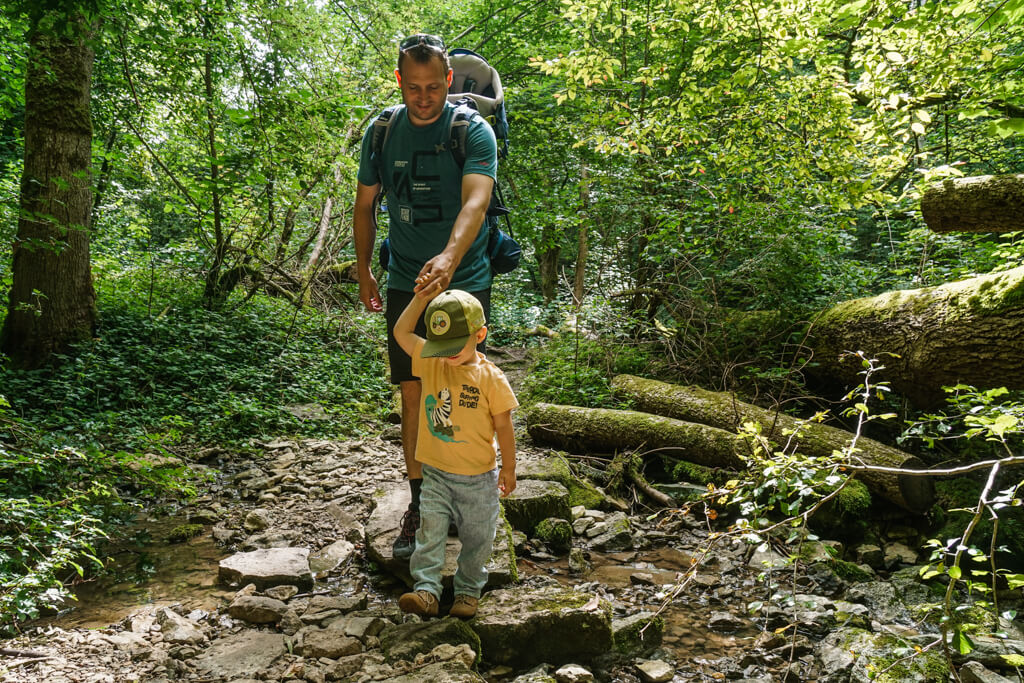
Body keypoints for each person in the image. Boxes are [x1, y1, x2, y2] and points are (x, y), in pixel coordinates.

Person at [352, 33, 499, 560]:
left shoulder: (473, 131)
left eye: (433, 87)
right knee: (414, 390)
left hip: (464, 277)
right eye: (413, 88)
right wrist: (365, 268)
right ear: (399, 82)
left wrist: (450, 259)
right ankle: (421, 503)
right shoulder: (382, 131)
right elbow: (366, 204)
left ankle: (467, 488)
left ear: (449, 82)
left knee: (461, 385)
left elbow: (475, 202)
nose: (423, 98)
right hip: (405, 280)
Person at [391, 285, 517, 619]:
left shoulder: (491, 378)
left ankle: (467, 592)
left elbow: (504, 427)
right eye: (441, 346)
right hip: (436, 474)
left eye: (455, 345)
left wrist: (509, 468)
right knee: (429, 534)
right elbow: (401, 331)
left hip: (479, 480)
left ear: (480, 334)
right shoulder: (432, 363)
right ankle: (427, 592)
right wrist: (419, 299)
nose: (448, 354)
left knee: (478, 541)